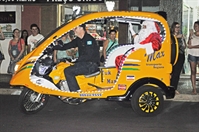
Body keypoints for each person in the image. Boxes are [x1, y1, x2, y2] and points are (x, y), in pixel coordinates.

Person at [53, 24, 100, 104]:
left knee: (68, 71)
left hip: (91, 65)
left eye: (75, 28)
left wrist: (73, 62)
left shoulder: (89, 40)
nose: (74, 30)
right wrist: (54, 47)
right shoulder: (78, 40)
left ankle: (77, 94)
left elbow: (88, 56)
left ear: (81, 28)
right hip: (84, 63)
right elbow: (66, 46)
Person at [170, 22, 186, 94]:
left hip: (180, 55)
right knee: (171, 72)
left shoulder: (181, 36)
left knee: (177, 73)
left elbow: (184, 46)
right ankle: (169, 87)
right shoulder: (170, 36)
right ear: (173, 28)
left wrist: (183, 39)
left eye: (179, 27)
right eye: (176, 27)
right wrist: (176, 37)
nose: (177, 28)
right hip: (172, 56)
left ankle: (174, 88)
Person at [187, 20, 199, 95]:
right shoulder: (192, 35)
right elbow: (189, 44)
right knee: (193, 71)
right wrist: (190, 36)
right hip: (192, 54)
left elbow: (192, 46)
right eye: (194, 26)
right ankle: (194, 88)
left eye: (196, 26)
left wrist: (193, 47)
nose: (195, 28)